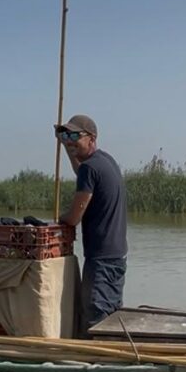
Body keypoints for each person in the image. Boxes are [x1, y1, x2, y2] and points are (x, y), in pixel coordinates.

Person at [55, 114, 128, 337]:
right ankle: (111, 358)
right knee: (111, 315)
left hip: (101, 260)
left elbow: (74, 217)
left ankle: (99, 363)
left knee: (96, 319)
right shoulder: (105, 161)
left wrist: (59, 219)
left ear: (92, 138)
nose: (70, 140)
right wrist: (66, 144)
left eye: (75, 135)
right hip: (117, 257)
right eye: (67, 134)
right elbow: (82, 170)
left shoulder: (90, 169)